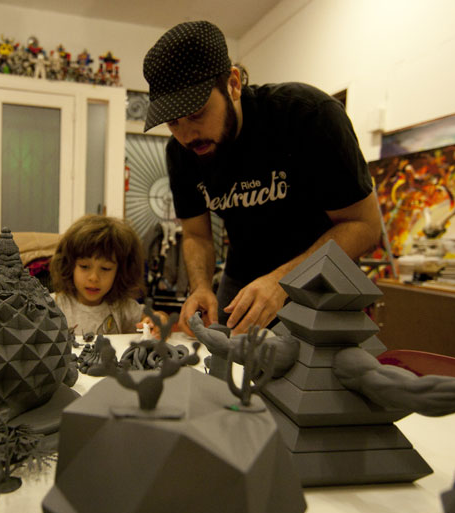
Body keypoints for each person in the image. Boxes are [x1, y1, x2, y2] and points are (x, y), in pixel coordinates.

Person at [142, 20, 382, 336]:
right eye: (173, 123)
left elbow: (365, 226)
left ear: (233, 84)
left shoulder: (308, 115)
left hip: (324, 275)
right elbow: (197, 235)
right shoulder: (181, 152)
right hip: (243, 277)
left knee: (319, 366)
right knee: (225, 359)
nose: (187, 135)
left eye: (197, 113)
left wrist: (284, 281)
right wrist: (200, 286)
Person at [50, 214, 159, 336]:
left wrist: (157, 320)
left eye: (105, 268)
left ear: (120, 272)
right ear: (69, 265)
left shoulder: (122, 306)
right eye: (84, 266)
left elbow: (154, 317)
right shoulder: (53, 305)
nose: (94, 278)